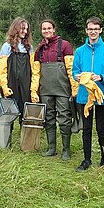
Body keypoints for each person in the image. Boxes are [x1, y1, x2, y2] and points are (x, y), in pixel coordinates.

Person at [31, 19, 79, 160]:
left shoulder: (65, 46)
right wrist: (34, 91)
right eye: (44, 29)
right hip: (45, 90)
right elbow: (36, 73)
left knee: (64, 119)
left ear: (54, 29)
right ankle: (51, 148)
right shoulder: (39, 49)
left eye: (49, 28)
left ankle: (66, 150)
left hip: (63, 90)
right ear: (41, 31)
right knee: (48, 119)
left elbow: (71, 69)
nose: (46, 31)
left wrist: (74, 88)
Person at [72, 17, 104, 171]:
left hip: (101, 95)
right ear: (86, 31)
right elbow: (74, 71)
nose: (93, 32)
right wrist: (77, 76)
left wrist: (102, 77)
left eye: (96, 29)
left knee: (101, 128)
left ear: (100, 30)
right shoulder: (79, 51)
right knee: (87, 128)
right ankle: (86, 160)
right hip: (84, 96)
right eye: (90, 29)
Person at [0, 17, 35, 123]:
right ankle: (7, 137)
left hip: (26, 84)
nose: (25, 31)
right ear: (16, 29)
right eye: (23, 28)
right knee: (9, 113)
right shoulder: (7, 46)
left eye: (27, 29)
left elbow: (33, 69)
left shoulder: (29, 47)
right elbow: (2, 69)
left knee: (26, 112)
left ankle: (26, 137)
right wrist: (4, 86)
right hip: (11, 83)